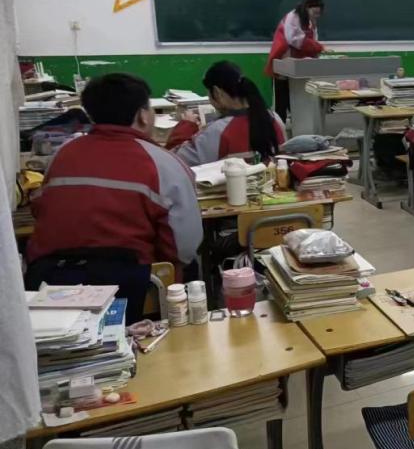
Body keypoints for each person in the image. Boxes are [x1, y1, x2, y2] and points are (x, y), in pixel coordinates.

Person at [26, 73, 202, 322]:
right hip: (130, 286)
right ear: (143, 115)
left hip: (51, 282)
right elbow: (184, 247)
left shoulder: (62, 155)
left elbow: (41, 208)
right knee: (189, 269)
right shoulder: (162, 163)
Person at [167, 60, 285, 166]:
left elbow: (171, 162)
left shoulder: (217, 131)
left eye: (209, 93)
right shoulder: (275, 119)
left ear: (217, 93)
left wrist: (186, 126)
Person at [264, 0, 325, 120]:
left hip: (297, 66)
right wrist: (318, 47)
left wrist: (317, 51)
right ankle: (281, 127)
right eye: (314, 13)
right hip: (283, 62)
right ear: (307, 8)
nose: (316, 16)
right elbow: (295, 40)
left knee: (297, 99)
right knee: (282, 100)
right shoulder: (293, 17)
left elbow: (313, 40)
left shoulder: (310, 21)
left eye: (318, 14)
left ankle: (298, 126)